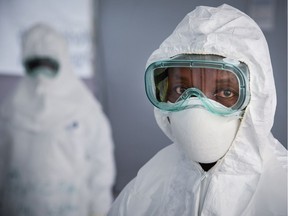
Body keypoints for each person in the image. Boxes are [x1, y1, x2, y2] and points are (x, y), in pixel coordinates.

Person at [108, 4, 287, 216]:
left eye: (225, 92)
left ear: (256, 98)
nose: (196, 106)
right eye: (181, 89)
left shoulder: (280, 191)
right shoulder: (146, 187)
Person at [0, 23, 115, 216]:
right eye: (34, 65)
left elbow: (101, 168)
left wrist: (100, 211)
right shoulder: (9, 111)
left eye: (48, 65)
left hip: (71, 208)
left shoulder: (86, 111)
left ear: (62, 61)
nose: (41, 75)